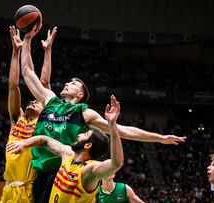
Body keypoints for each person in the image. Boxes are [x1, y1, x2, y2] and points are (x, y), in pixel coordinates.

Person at [20, 25, 187, 202]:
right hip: (38, 174)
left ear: (80, 95)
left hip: (63, 172)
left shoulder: (83, 112)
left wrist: (159, 138)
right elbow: (27, 72)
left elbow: (123, 131)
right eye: (68, 81)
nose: (67, 83)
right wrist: (28, 39)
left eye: (73, 83)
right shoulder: (49, 100)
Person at [7, 95, 124, 203]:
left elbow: (116, 163)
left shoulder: (90, 169)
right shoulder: (67, 154)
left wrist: (112, 125)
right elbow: (45, 139)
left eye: (84, 134)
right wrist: (24, 143)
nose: (79, 135)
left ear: (88, 145)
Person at [0, 25, 57, 203]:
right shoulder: (17, 119)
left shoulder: (42, 122)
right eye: (32, 100)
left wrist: (47, 52)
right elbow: (12, 86)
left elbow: (44, 83)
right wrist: (16, 52)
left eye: (38, 102)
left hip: (28, 188)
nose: (33, 101)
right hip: (8, 189)